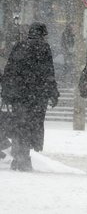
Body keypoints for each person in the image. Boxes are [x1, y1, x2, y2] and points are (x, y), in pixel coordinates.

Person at [1, 22, 59, 171]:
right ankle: (24, 158)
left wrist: (7, 92)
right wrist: (53, 93)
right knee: (31, 126)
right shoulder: (44, 48)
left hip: (18, 96)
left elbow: (9, 70)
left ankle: (18, 157)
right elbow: (48, 72)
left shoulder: (19, 46)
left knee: (19, 124)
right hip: (36, 96)